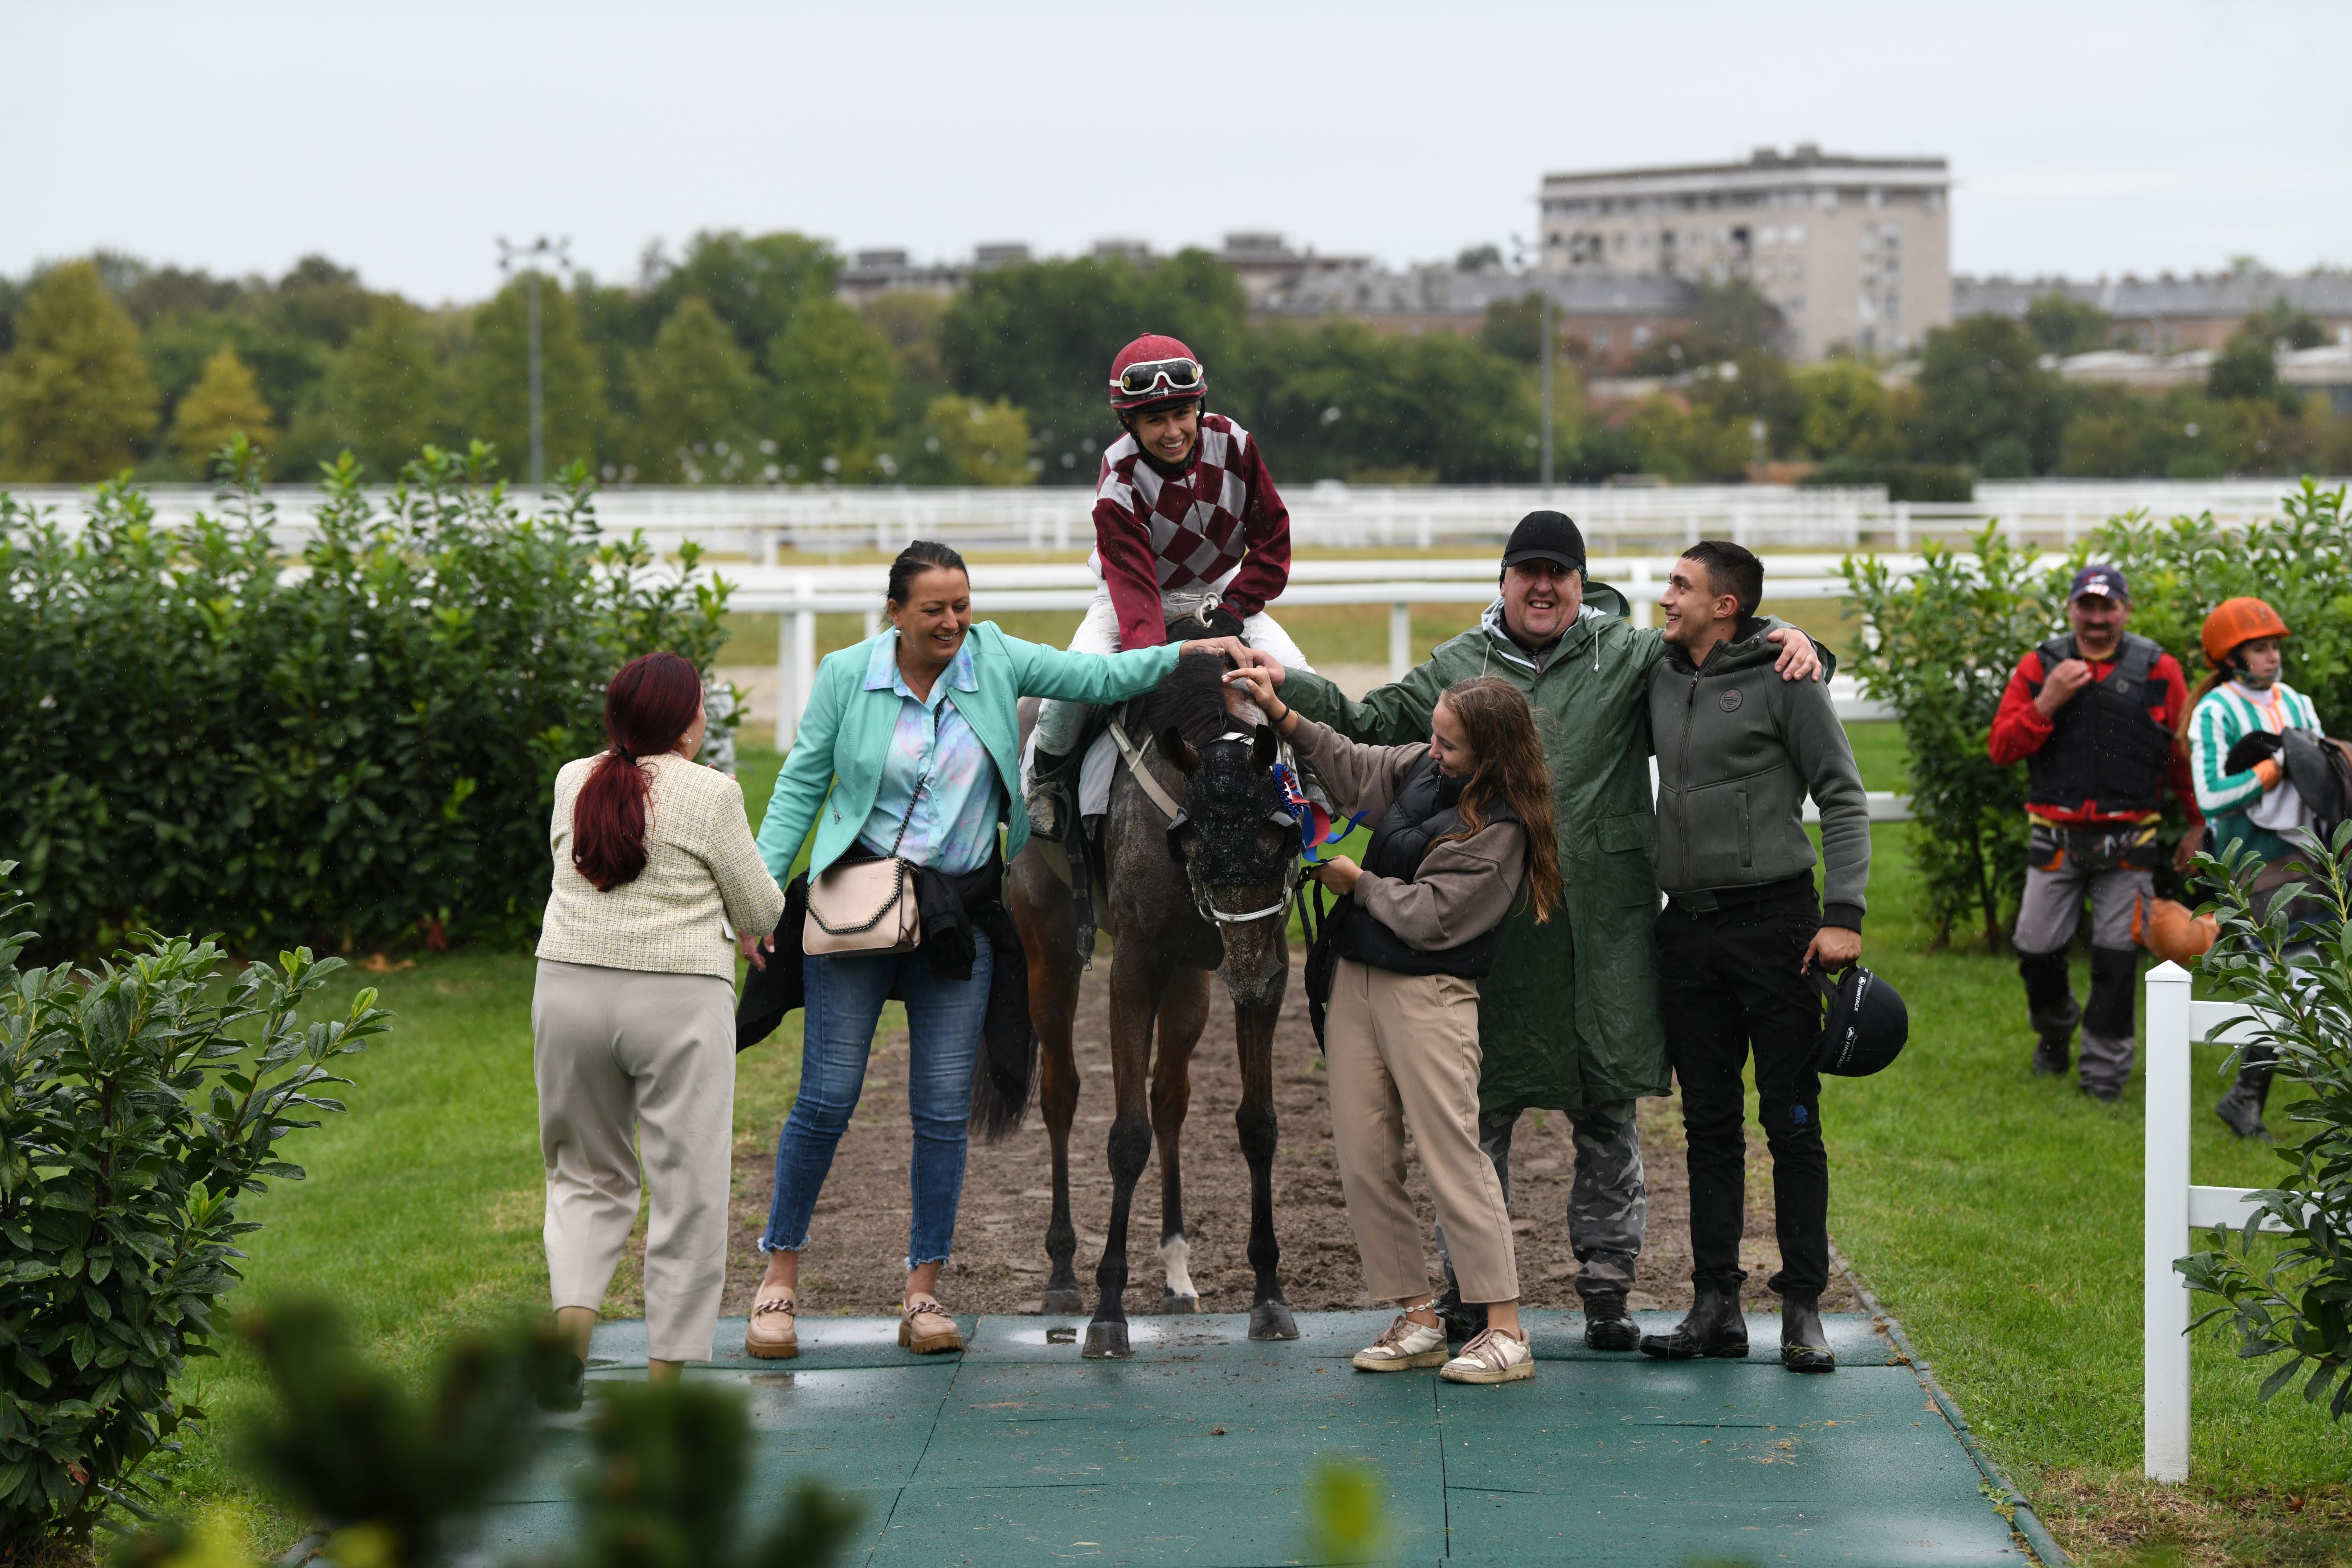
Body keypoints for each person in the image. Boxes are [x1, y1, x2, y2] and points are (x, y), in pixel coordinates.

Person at [1251, 510, 1822, 1350]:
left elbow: (1722, 647)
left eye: (1560, 572)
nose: (1544, 586)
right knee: (1476, 1110)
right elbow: (1368, 725)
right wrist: (1285, 687)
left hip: (1606, 927)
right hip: (1495, 935)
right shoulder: (1459, 667)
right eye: (1529, 572)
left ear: (1579, 583)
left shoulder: (1628, 654)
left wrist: (1790, 635)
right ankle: (1470, 1291)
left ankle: (1606, 1285)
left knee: (1607, 1108)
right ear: (1507, 580)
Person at [744, 541, 1250, 1360]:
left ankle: (923, 1295)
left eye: (961, 605)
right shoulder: (846, 676)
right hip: (858, 913)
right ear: (896, 614)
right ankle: (779, 1281)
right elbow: (801, 785)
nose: (951, 622)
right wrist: (761, 898)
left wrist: (1187, 651)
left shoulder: (995, 657)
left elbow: (1098, 680)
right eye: (934, 610)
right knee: (827, 1101)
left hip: (960, 918)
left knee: (943, 1115)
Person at [1227, 663, 1560, 1384]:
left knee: (1452, 1156)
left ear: (1492, 755)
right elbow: (1353, 766)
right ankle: (1418, 1314)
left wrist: (1359, 883)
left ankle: (1505, 1327)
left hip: (1431, 994)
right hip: (1358, 980)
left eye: (1449, 746)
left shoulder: (1501, 828)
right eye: (1434, 737)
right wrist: (1283, 715)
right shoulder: (1420, 768)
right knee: (1364, 1153)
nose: (1432, 752)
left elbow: (1435, 916)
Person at [1634, 543, 1870, 1373]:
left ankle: (1803, 1305)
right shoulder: (1656, 673)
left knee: (1791, 1117)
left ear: (1726, 606)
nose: (1664, 598)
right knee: (1707, 1125)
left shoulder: (1787, 675)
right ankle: (1716, 1304)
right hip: (1688, 933)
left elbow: (1841, 792)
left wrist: (1845, 915)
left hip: (1779, 928)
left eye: (1680, 587)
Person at [533, 651, 785, 1407]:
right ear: (686, 722)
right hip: (676, 999)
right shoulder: (713, 792)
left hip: (567, 990)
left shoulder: (572, 779)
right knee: (688, 1189)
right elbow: (761, 911)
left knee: (585, 1175)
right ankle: (667, 1383)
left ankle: (569, 1347)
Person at [1024, 334, 1313, 842]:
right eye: (1155, 420)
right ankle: (1046, 782)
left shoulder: (1237, 445)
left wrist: (1232, 614)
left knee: (1302, 678)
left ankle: (1314, 777)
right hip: (1133, 596)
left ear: (1199, 404)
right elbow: (1135, 595)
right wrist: (1174, 650)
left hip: (1221, 592)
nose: (1173, 431)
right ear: (1128, 423)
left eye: (1182, 413)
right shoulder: (1119, 478)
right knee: (1068, 690)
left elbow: (1272, 540)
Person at [1987, 564, 2201, 1101]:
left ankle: (2103, 1078)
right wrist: (2048, 701)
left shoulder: (2160, 670)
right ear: (2071, 608)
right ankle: (2056, 1034)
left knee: (2115, 960)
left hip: (2131, 841)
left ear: (2126, 610)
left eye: (2109, 608)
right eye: (2088, 606)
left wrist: (2198, 822)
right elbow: (2001, 748)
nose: (2098, 619)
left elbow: (2180, 756)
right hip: (2054, 841)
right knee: (2036, 951)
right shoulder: (2041, 666)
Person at [2182, 597, 2322, 1138]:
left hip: (2310, 857)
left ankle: (2247, 1098)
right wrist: (2274, 768)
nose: (2272, 657)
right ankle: (2248, 1098)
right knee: (2285, 977)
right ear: (2232, 657)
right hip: (2251, 864)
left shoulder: (2300, 703)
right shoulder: (2216, 710)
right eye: (2259, 649)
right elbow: (2212, 796)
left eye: (2274, 647)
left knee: (2311, 974)